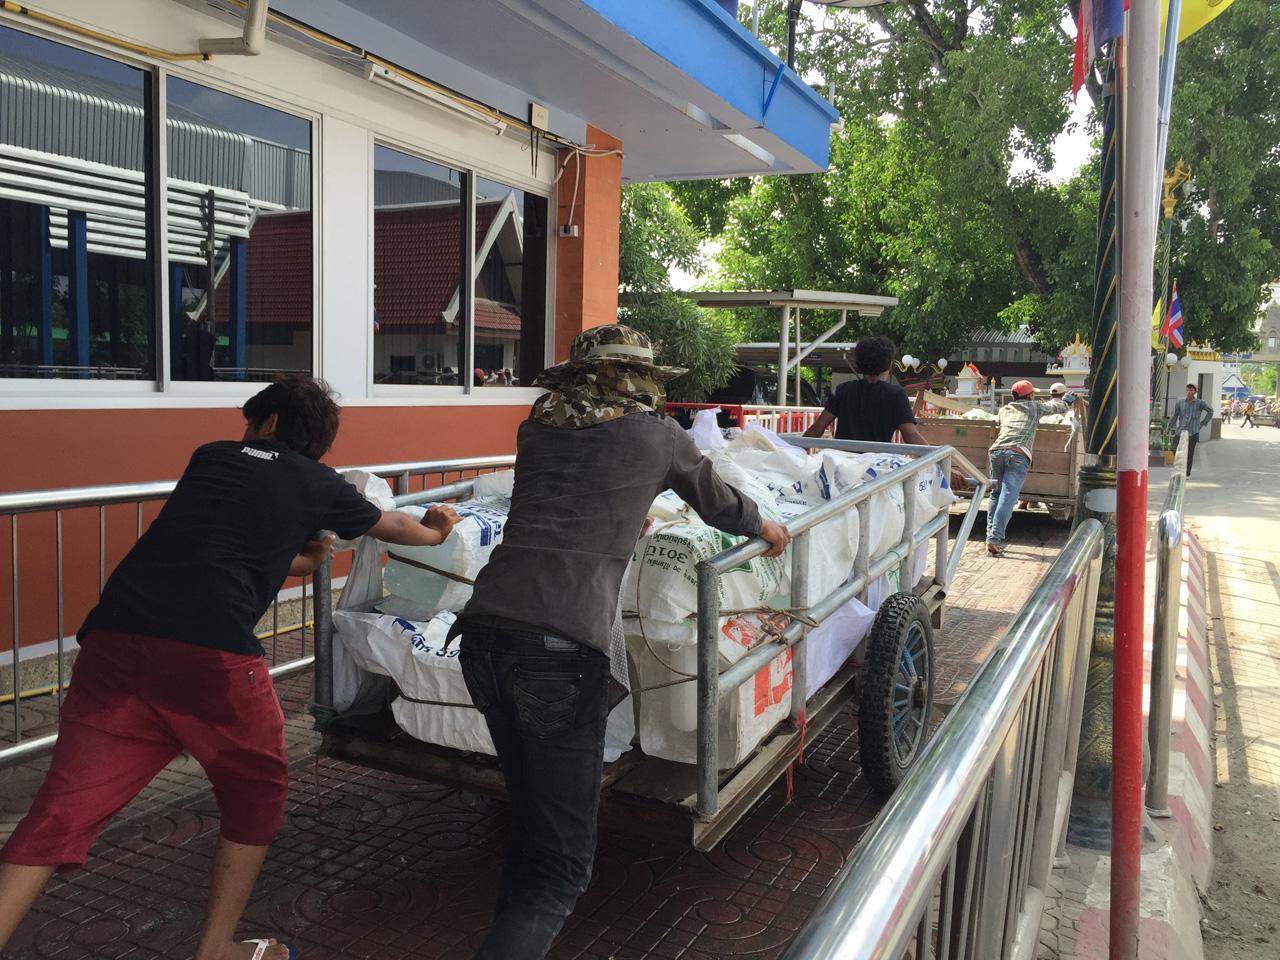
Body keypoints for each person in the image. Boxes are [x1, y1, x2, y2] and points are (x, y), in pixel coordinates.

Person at [0, 377, 462, 960]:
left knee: (59, 810)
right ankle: (217, 948)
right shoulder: (318, 483)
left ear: (268, 423)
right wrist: (438, 527)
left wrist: (306, 556)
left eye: (250, 422)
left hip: (115, 641)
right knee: (256, 790)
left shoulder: (211, 458)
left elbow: (229, 544)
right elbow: (397, 528)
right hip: (210, 653)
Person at [453, 325, 791, 960]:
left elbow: (570, 500)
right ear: (643, 381)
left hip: (484, 634)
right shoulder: (658, 435)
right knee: (562, 870)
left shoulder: (537, 429)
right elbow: (718, 504)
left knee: (534, 827)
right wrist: (764, 525)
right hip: (558, 648)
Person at [985, 380, 1069, 556]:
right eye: (1033, 393)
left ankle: (990, 538)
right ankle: (995, 539)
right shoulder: (1034, 407)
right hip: (1017, 454)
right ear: (1030, 395)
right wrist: (1067, 400)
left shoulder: (1004, 409)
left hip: (996, 452)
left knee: (995, 494)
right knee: (1008, 496)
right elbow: (1059, 408)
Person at [803, 336, 929, 444]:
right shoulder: (895, 394)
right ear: (889, 363)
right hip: (876, 462)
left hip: (843, 460)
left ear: (859, 363)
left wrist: (795, 451)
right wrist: (935, 457)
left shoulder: (843, 390)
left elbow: (817, 429)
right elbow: (911, 435)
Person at [1168, 383, 1214, 476]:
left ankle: (1187, 473)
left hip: (1193, 431)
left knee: (1189, 453)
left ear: (1195, 392)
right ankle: (1180, 465)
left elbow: (1210, 411)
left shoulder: (1200, 403)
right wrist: (1168, 428)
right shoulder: (1180, 402)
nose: (1189, 392)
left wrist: (1203, 423)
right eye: (1187, 390)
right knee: (1174, 448)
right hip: (1181, 430)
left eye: (1191, 390)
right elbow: (1174, 416)